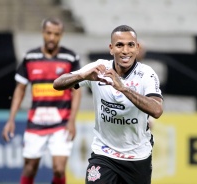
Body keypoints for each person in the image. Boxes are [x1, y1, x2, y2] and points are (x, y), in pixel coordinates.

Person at [53, 25, 163, 184]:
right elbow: (57, 84)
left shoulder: (147, 74)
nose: (125, 50)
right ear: (111, 48)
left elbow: (157, 110)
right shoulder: (99, 68)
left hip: (137, 156)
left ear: (137, 48)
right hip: (104, 154)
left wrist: (123, 88)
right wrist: (81, 75)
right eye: (119, 45)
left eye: (130, 45)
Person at [2, 18, 81, 184]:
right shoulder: (30, 57)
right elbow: (20, 89)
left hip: (61, 122)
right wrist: (11, 120)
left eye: (56, 34)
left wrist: (72, 120)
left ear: (62, 35)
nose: (52, 37)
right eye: (49, 33)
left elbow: (77, 92)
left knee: (59, 169)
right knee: (30, 168)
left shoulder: (70, 57)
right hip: (36, 122)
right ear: (42, 33)